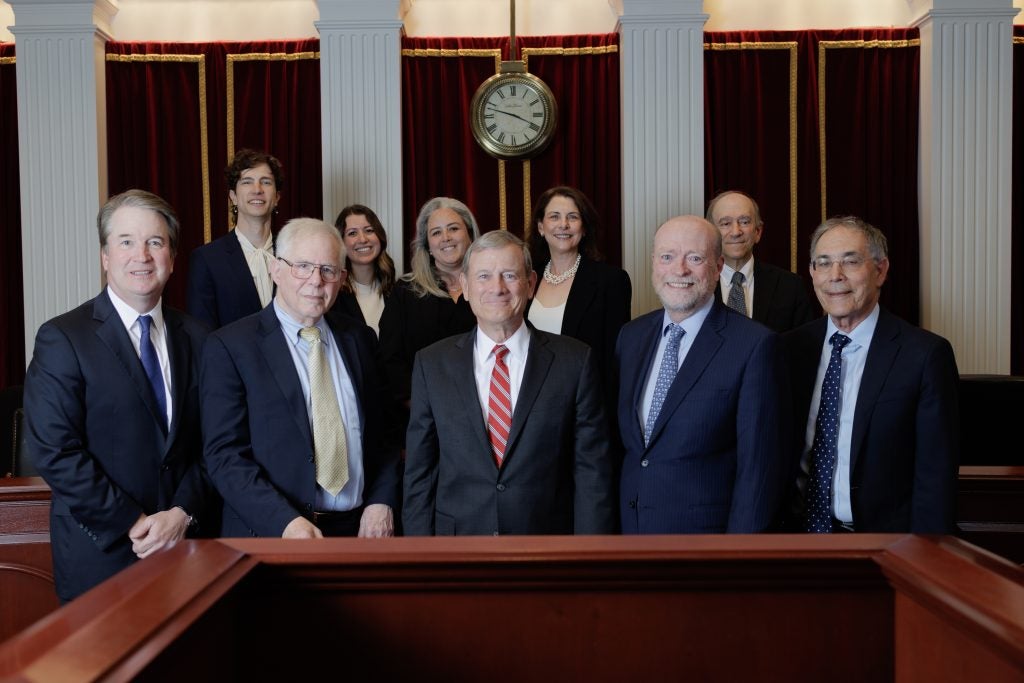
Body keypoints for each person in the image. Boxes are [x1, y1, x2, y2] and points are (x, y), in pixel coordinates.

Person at [24, 190, 210, 602]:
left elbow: (214, 444)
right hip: (102, 554)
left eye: (155, 242)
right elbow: (55, 450)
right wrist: (135, 522)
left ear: (172, 259)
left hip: (187, 546)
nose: (141, 255)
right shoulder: (63, 338)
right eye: (126, 241)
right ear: (105, 256)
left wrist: (181, 513)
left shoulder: (199, 339)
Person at [403, 230, 616, 536]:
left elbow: (592, 472)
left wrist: (587, 558)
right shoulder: (431, 364)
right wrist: (419, 560)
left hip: (546, 547)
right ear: (465, 285)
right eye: (484, 276)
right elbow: (420, 474)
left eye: (509, 275)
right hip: (457, 550)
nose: (497, 288)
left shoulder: (575, 362)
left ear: (531, 284)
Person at [201, 218, 400, 538]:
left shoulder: (359, 339)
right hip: (272, 534)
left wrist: (381, 501)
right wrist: (285, 523)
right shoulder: (230, 347)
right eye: (303, 266)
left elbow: (387, 434)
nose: (316, 280)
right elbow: (225, 457)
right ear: (276, 269)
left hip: (360, 532)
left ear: (342, 279)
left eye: (328, 270)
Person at [782, 216, 959, 533]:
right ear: (811, 273)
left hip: (885, 546)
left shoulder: (924, 355)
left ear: (880, 270)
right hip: (797, 538)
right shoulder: (789, 350)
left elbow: (936, 473)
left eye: (850, 262)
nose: (835, 276)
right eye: (822, 264)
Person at [617, 215, 787, 534]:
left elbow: (759, 470)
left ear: (718, 265)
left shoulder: (754, 345)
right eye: (667, 257)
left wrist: (736, 558)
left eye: (694, 258)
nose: (679, 270)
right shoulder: (631, 337)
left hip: (706, 545)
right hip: (631, 536)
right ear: (654, 263)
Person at [526, 185, 632, 405]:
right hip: (529, 400)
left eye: (572, 217)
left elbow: (615, 359)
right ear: (540, 227)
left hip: (583, 401)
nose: (563, 225)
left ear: (584, 228)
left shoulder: (610, 281)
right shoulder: (526, 278)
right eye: (554, 216)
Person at [378, 197, 479, 424]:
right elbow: (390, 358)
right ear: (427, 246)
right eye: (436, 233)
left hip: (487, 412)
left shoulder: (490, 285)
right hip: (424, 415)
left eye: (454, 228)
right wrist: (420, 407)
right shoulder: (405, 292)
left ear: (470, 235)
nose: (446, 238)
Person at [187, 149, 284, 329]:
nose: (257, 190)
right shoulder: (207, 259)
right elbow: (202, 336)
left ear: (277, 197)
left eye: (266, 182)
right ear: (233, 197)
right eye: (247, 182)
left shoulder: (294, 255)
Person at [707, 190, 815, 332]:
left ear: (758, 232)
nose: (735, 232)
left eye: (744, 222)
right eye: (726, 223)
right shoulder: (697, 285)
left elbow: (804, 346)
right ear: (711, 233)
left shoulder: (790, 287)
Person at [332, 204, 397, 336]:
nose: (363, 239)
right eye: (352, 233)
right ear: (341, 243)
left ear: (379, 236)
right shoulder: (332, 297)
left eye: (369, 230)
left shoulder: (397, 292)